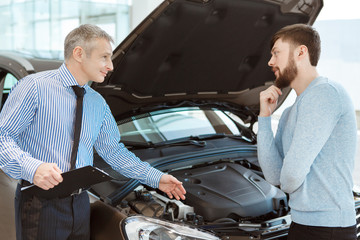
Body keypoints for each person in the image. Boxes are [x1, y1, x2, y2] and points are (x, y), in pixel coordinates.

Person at [0, 24, 186, 240]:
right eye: (104, 57)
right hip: (41, 202)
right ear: (79, 53)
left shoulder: (97, 102)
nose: (111, 66)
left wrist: (156, 178)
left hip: (81, 204)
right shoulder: (33, 88)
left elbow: (114, 151)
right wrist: (33, 168)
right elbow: (3, 136)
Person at [257, 23, 357, 240]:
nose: (270, 62)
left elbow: (290, 176)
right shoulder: (289, 112)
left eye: (276, 53)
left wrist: (287, 180)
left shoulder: (325, 93)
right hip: (303, 224)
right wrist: (264, 118)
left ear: (301, 52)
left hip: (329, 230)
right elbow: (274, 175)